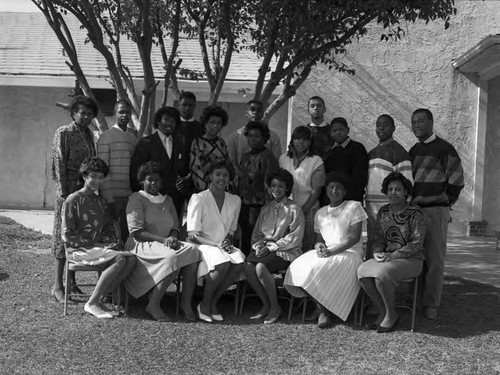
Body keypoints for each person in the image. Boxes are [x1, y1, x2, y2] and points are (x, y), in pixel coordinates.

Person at [284, 171, 368, 328]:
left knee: (317, 267)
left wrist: (332, 251)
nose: (334, 191)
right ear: (326, 190)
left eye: (338, 188)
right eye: (331, 187)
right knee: (298, 266)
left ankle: (323, 312)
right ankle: (321, 307)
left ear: (345, 191)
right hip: (327, 252)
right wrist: (320, 246)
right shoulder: (320, 212)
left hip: (350, 252)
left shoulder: (354, 206)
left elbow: (354, 238)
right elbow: (319, 241)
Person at [124, 161, 201, 322]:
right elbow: (136, 231)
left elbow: (175, 225)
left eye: (157, 180)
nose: (153, 183)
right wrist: (164, 240)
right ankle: (153, 304)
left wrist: (172, 236)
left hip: (165, 243)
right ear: (141, 181)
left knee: (193, 251)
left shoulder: (167, 200)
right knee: (172, 258)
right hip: (141, 244)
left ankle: (186, 303)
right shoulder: (136, 198)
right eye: (149, 179)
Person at [62, 157, 136, 319]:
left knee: (131, 259)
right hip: (77, 249)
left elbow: (108, 229)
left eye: (100, 177)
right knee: (119, 259)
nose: (97, 181)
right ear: (84, 176)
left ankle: (102, 296)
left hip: (98, 248)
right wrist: (96, 244)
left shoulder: (101, 202)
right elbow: (67, 234)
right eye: (93, 176)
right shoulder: (73, 200)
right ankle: (92, 303)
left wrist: (112, 243)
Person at [409, 108, 464, 320]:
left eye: (421, 121)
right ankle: (415, 299)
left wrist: (443, 202)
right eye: (413, 122)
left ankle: (431, 304)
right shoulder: (413, 151)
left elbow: (456, 181)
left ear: (431, 122)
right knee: (415, 257)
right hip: (415, 212)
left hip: (436, 211)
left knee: (434, 259)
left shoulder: (445, 149)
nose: (416, 125)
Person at [357, 172, 425, 332]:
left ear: (406, 192)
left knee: (381, 275)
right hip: (388, 258)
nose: (393, 193)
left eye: (398, 189)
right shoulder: (384, 211)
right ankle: (384, 312)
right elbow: (378, 237)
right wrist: (377, 252)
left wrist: (394, 255)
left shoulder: (416, 214)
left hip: (412, 259)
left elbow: (417, 243)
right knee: (362, 272)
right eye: (390, 189)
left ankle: (391, 315)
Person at [50, 95, 98, 303]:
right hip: (67, 191)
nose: (86, 117)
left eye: (89, 114)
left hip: (83, 191)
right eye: (82, 113)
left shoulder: (89, 134)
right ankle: (57, 285)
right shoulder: (64, 132)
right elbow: (58, 161)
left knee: (77, 235)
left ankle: (72, 281)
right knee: (62, 235)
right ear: (73, 113)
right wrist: (64, 192)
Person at [186, 160, 245, 323]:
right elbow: (192, 234)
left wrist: (227, 241)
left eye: (225, 175)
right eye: (217, 174)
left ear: (230, 179)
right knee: (222, 262)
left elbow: (231, 230)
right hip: (201, 244)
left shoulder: (235, 200)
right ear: (210, 176)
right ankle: (204, 305)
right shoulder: (199, 198)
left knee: (239, 260)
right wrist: (216, 245)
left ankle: (213, 301)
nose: (221, 178)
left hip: (221, 245)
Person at [244, 169, 304, 324]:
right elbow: (257, 234)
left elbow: (294, 237)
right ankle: (266, 304)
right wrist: (257, 246)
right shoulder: (266, 209)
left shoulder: (295, 209)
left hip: (286, 250)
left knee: (260, 268)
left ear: (287, 188)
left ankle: (275, 307)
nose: (276, 189)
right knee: (248, 266)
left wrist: (272, 247)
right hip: (265, 249)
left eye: (280, 186)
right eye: (273, 186)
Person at [365, 114, 413, 258]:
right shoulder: (372, 153)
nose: (381, 127)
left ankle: (386, 275)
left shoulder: (399, 152)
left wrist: (402, 207)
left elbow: (407, 182)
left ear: (393, 128)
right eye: (378, 124)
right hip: (371, 205)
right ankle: (369, 273)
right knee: (373, 240)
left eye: (386, 124)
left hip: (389, 205)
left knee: (388, 241)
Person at [130, 106, 186, 218]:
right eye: (166, 120)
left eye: (173, 121)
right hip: (151, 199)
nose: (169, 124)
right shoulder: (146, 143)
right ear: (158, 121)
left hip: (174, 201)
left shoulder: (179, 144)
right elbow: (136, 172)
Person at [97, 100, 138, 244]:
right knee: (109, 234)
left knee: (126, 235)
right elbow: (102, 169)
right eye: (121, 112)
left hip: (129, 196)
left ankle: (125, 264)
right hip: (112, 197)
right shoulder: (106, 137)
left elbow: (134, 169)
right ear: (114, 114)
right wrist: (108, 197)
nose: (124, 115)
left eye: (127, 112)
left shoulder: (133, 139)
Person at [279, 126, 325, 251]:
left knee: (306, 246)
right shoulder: (283, 159)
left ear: (310, 142)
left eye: (305, 139)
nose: (301, 142)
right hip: (286, 211)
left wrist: (302, 210)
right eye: (297, 138)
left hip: (309, 210)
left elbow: (317, 190)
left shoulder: (316, 161)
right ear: (292, 140)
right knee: (286, 244)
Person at [237, 120, 279, 255]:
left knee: (254, 239)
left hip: (258, 206)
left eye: (257, 136)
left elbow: (270, 185)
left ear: (264, 138)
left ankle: (252, 265)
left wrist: (269, 208)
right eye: (250, 136)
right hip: (243, 204)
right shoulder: (245, 156)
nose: (252, 139)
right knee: (243, 236)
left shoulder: (267, 157)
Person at [323, 117, 368, 203]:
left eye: (341, 129)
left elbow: (360, 178)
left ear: (347, 130)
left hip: (352, 199)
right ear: (331, 133)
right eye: (334, 131)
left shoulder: (357, 148)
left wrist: (347, 197)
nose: (338, 133)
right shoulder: (328, 152)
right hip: (331, 200)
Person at [226, 99, 282, 168]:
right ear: (246, 113)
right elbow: (232, 163)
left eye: (259, 110)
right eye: (252, 110)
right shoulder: (235, 137)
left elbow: (276, 162)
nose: (255, 112)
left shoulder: (273, 137)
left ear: (263, 113)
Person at [190, 105, 232, 192]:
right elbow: (196, 168)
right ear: (205, 123)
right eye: (212, 122)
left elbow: (226, 165)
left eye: (219, 123)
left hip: (221, 188)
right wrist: (208, 188)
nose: (215, 126)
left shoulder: (221, 143)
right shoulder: (197, 143)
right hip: (203, 191)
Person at [176, 91, 205, 200]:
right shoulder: (172, 127)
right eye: (184, 105)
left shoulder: (201, 129)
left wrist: (189, 177)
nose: (187, 108)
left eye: (190, 105)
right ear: (179, 105)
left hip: (195, 182)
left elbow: (202, 156)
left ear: (195, 106)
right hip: (174, 181)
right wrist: (177, 177)